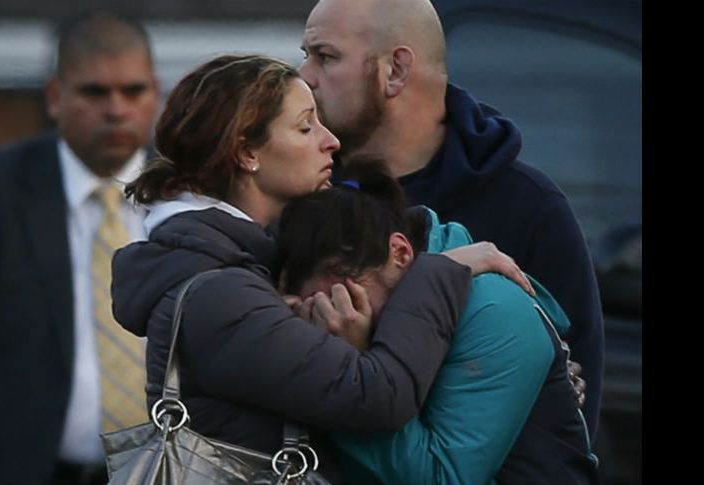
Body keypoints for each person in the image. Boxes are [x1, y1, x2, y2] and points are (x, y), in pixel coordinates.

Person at [109, 53, 481, 482]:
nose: (331, 141)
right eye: (305, 127)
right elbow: (378, 396)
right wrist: (436, 272)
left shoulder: (238, 266)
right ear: (247, 152)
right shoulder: (220, 295)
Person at [298, 0, 604, 437]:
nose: (304, 77)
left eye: (325, 57)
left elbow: (569, 422)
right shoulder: (300, 192)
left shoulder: (528, 208)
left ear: (396, 70)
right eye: (306, 55)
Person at [277, 163, 600, 484]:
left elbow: (442, 477)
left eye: (347, 297)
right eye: (319, 311)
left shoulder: (493, 310)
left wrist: (348, 370)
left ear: (400, 253)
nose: (337, 318)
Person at [0, 10, 160, 485]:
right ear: (54, 96)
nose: (116, 109)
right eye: (95, 92)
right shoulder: (4, 191)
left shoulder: (193, 194)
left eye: (133, 91)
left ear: (155, 92)